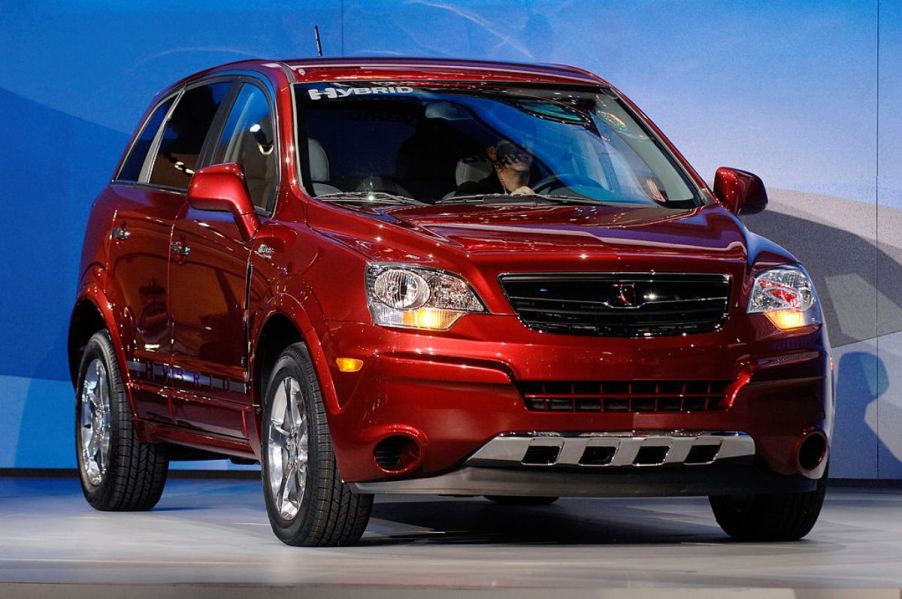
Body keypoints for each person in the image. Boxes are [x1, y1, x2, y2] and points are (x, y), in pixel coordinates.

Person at [456, 140, 536, 196]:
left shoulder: (546, 186)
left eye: (528, 138)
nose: (523, 146)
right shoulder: (473, 194)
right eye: (513, 140)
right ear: (492, 153)